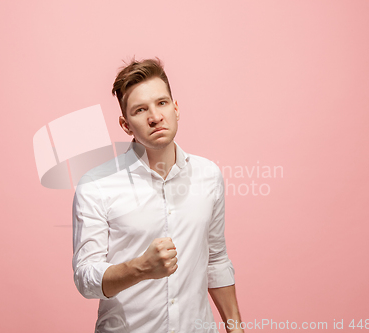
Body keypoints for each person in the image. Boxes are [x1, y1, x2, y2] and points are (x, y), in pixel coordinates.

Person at [72, 57, 245, 333]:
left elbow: (216, 260)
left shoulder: (208, 175)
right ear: (125, 124)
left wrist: (236, 328)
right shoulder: (96, 185)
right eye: (140, 110)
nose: (155, 116)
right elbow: (85, 278)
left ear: (176, 109)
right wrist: (140, 268)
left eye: (162, 103)